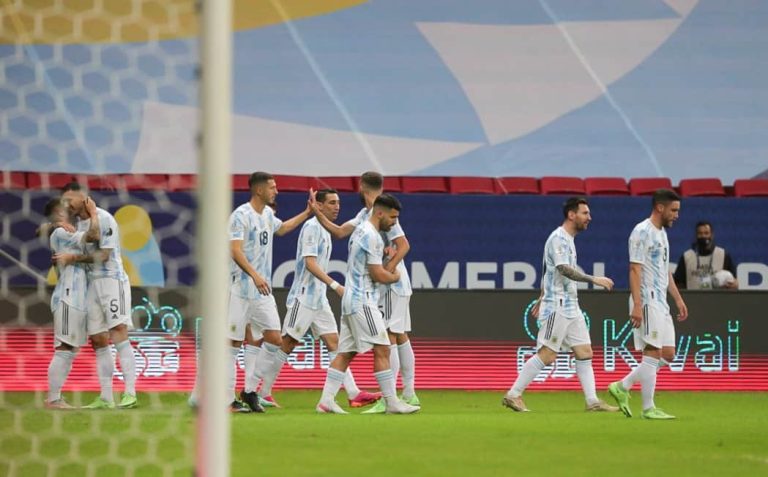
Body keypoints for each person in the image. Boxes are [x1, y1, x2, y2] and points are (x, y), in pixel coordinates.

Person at [252, 189, 382, 408]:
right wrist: (336, 285)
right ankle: (260, 390)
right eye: (331, 203)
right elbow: (310, 264)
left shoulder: (327, 229)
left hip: (319, 299)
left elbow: (362, 218)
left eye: (338, 202)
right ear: (318, 206)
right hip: (303, 297)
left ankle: (353, 393)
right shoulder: (312, 228)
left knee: (335, 343)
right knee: (287, 343)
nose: (337, 207)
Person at [314, 172, 419, 412]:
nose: (394, 223)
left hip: (351, 299)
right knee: (383, 346)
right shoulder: (371, 235)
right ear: (380, 212)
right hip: (363, 300)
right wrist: (394, 274)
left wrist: (317, 212)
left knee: (346, 351)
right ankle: (392, 401)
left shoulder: (362, 227)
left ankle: (326, 401)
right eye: (392, 218)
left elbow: (341, 232)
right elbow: (377, 274)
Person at [502, 197, 618, 412]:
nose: (589, 218)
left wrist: (540, 295)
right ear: (571, 214)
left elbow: (549, 272)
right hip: (558, 304)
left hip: (571, 305)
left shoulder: (568, 240)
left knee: (584, 351)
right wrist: (594, 280)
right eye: (585, 213)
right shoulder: (558, 238)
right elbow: (563, 269)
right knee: (548, 354)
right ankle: (513, 394)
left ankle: (592, 402)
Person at [229, 172, 314, 413]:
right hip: (240, 287)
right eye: (272, 188)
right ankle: (226, 400)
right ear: (258, 190)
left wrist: (307, 213)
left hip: (260, 290)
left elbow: (283, 228)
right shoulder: (240, 215)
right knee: (233, 342)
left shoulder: (267, 214)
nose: (276, 191)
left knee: (275, 339)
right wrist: (254, 275)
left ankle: (248, 390)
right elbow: (235, 250)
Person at [609, 189, 689, 420]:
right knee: (652, 353)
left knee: (669, 353)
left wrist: (677, 298)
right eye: (673, 210)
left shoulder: (662, 233)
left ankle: (622, 386)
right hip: (646, 298)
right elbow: (634, 269)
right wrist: (637, 303)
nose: (676, 215)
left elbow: (665, 271)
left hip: (661, 301)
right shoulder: (642, 231)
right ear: (659, 207)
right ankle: (648, 408)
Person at [60, 182, 139, 409]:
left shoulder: (104, 219)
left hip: (112, 281)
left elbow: (104, 255)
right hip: (92, 285)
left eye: (70, 200)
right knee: (97, 339)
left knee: (118, 332)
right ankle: (106, 396)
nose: (67, 205)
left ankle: (130, 393)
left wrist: (72, 258)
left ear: (84, 197)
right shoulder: (79, 224)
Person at [43, 197, 100, 408]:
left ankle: (55, 395)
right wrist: (93, 213)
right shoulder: (61, 233)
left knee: (71, 350)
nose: (69, 210)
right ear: (58, 215)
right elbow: (93, 236)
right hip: (68, 297)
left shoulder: (64, 231)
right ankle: (53, 398)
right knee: (64, 348)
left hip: (78, 298)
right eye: (63, 210)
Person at [673, 221, 738, 290]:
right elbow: (678, 283)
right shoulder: (687, 256)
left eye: (706, 233)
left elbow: (734, 281)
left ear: (712, 235)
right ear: (696, 236)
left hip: (717, 299)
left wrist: (734, 284)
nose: (703, 236)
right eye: (700, 233)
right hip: (692, 299)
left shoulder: (723, 255)